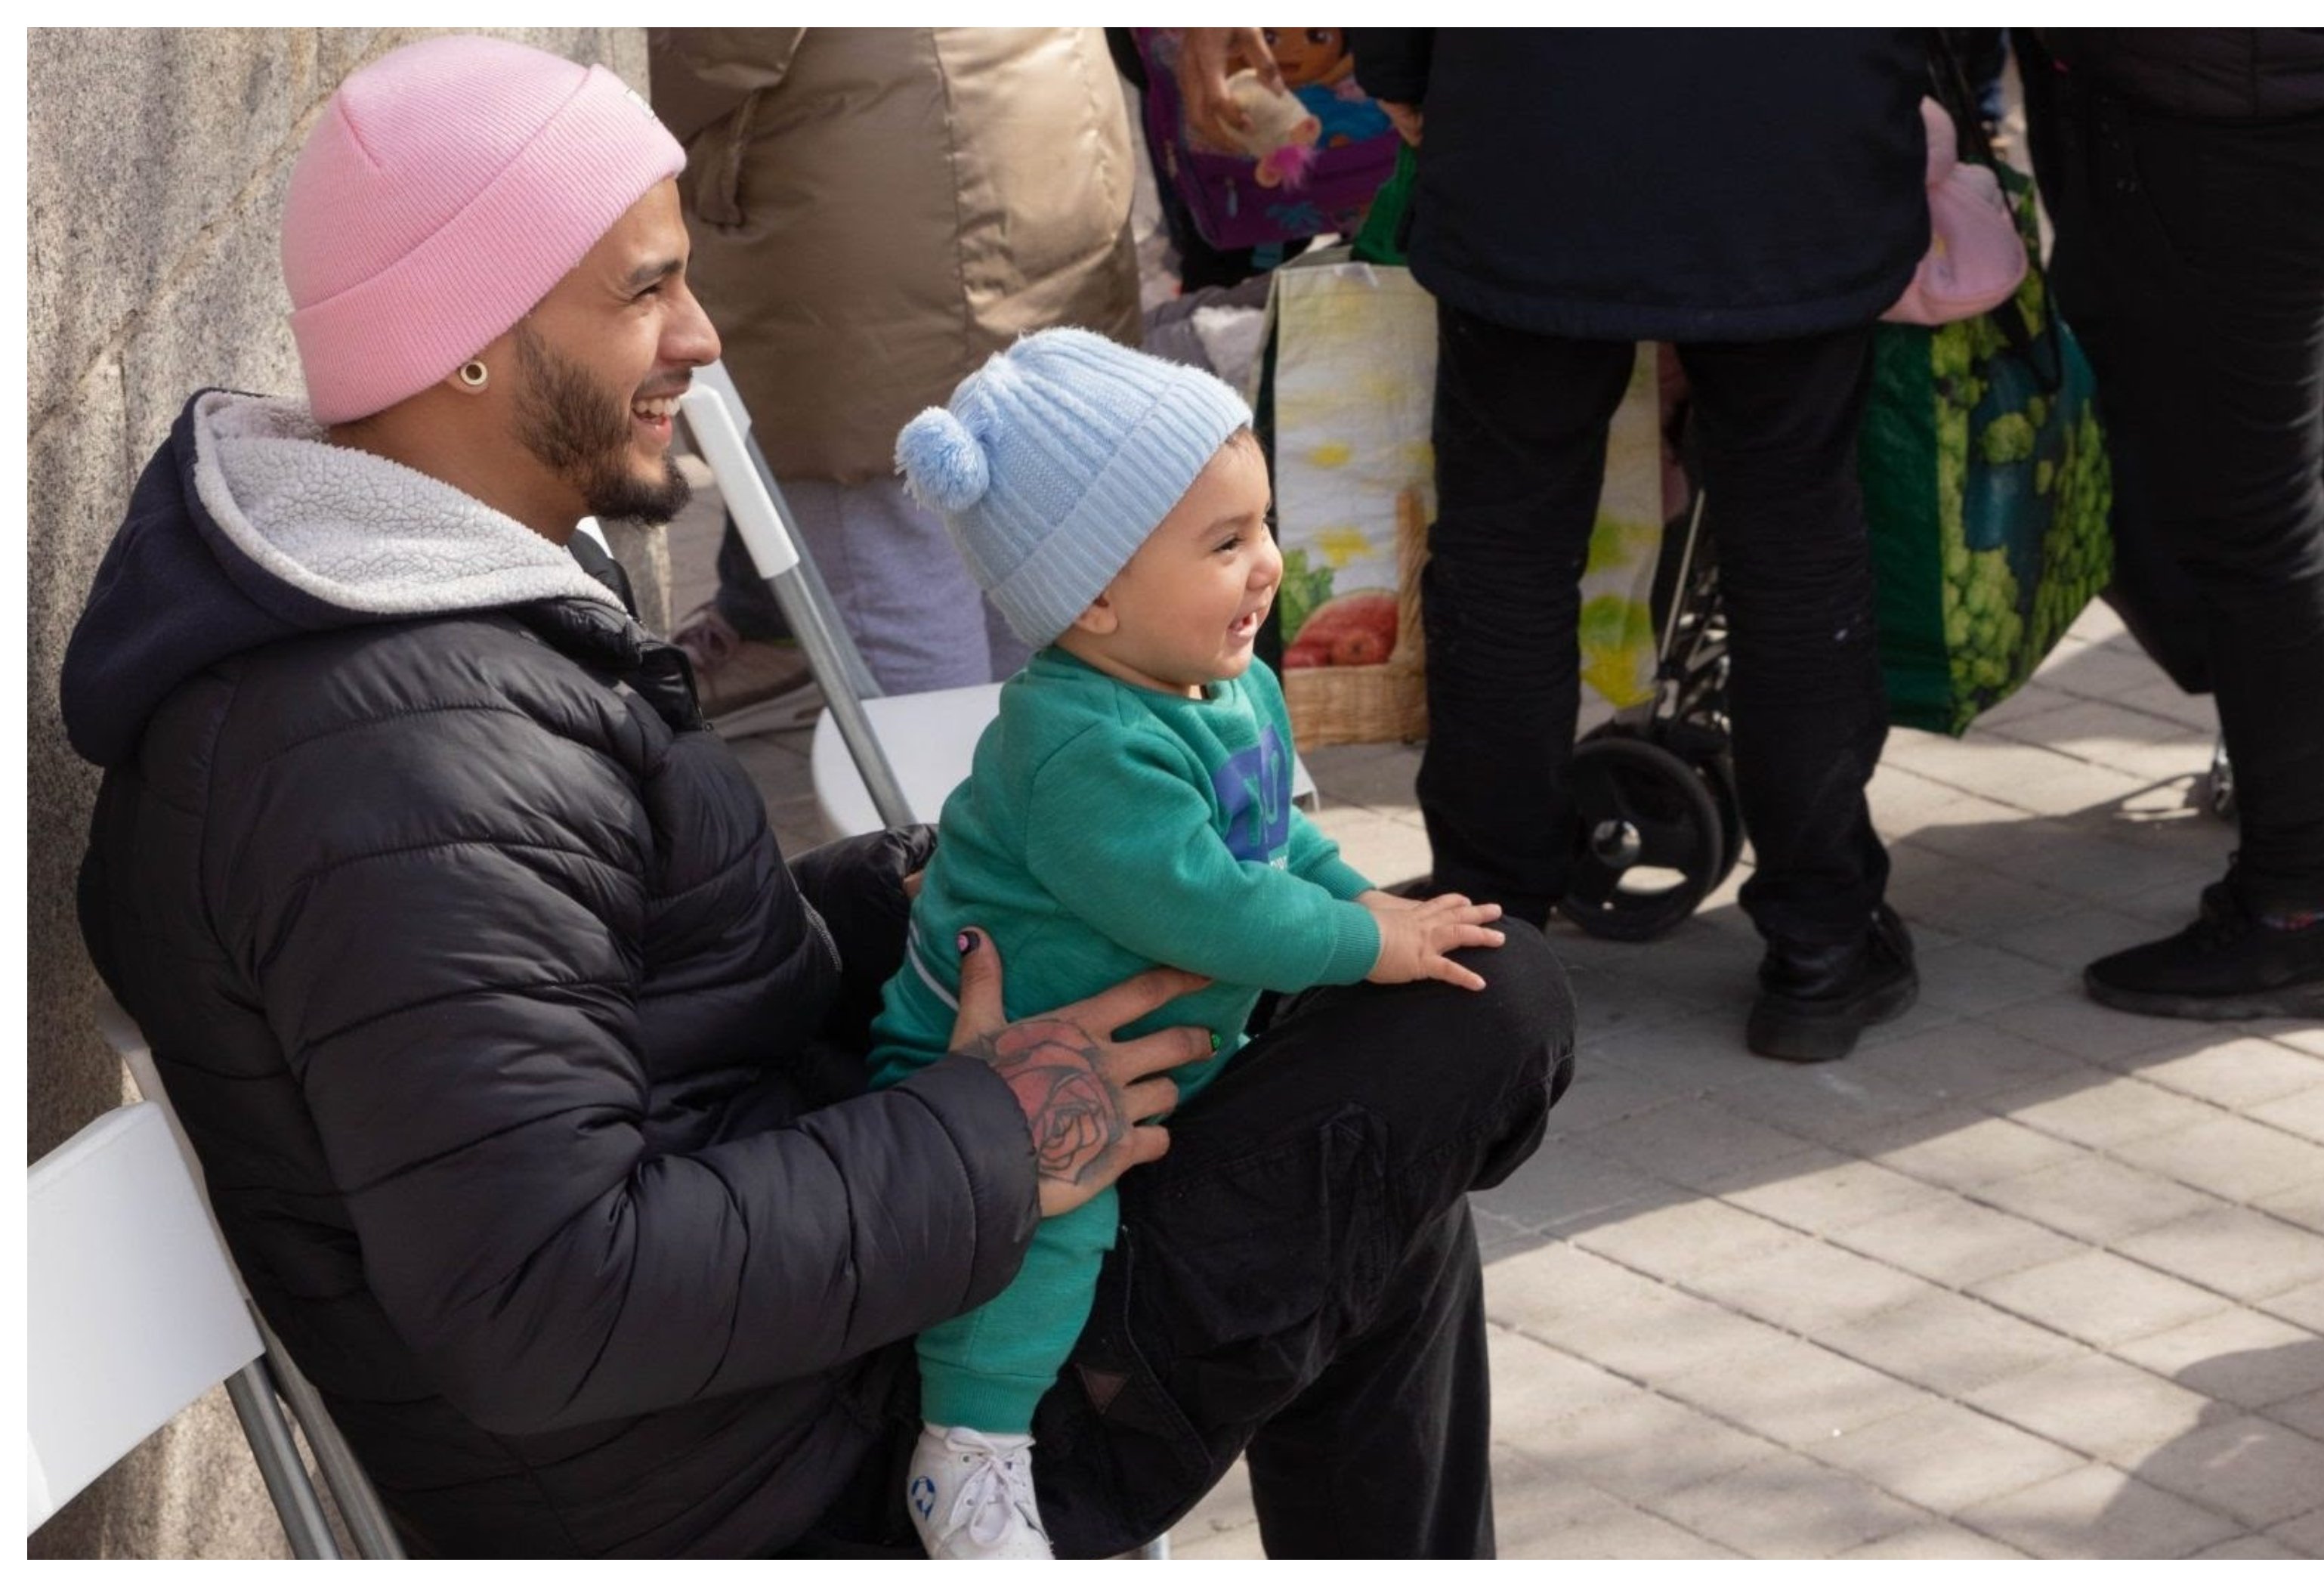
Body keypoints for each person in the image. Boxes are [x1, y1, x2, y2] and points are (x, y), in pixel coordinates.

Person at [60, 36, 1574, 1558]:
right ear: (471, 337)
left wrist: (905, 895)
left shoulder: (416, 663)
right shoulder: (381, 766)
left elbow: (609, 998)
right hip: (798, 1481)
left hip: (819, 1344)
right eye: (645, 288)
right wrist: (996, 1139)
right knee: (1473, 1026)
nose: (701, 337)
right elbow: (543, 1300)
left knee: (1378, 1132)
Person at [869, 330, 1508, 1558]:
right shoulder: (1082, 741)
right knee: (1050, 1234)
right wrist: (1362, 949)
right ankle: (975, 1456)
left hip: (1152, 1061)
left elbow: (1271, 845)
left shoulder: (1223, 685)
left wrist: (1371, 908)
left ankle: (1085, 1472)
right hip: (999, 1069)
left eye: (1261, 524)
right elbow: (1211, 910)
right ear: (1091, 595)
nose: (1265, 565)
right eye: (1223, 544)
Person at [1337, 28, 1933, 1062]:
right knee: (1793, 539)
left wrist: (1398, 65)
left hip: (1539, 119)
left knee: (1508, 543)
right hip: (1799, 128)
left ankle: (1487, 929)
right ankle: (1821, 940)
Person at [2023, 29, 2324, 1017]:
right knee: (2319, 494)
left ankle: (2302, 911)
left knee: (2259, 525)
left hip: (2238, 121)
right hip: (2322, 97)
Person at [647, 28, 1144, 729]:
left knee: (892, 564)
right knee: (1026, 556)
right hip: (1040, 133)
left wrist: (608, 78)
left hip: (868, 190)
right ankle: (1047, 814)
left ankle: (945, 826)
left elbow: (718, 43)